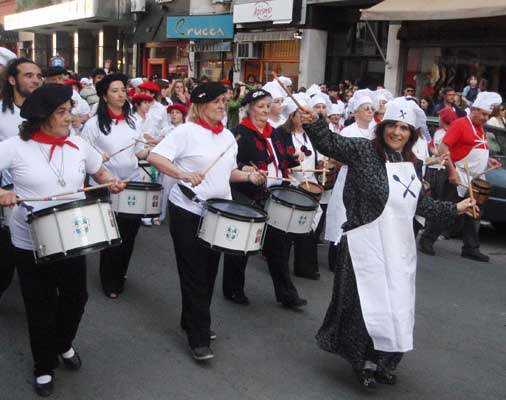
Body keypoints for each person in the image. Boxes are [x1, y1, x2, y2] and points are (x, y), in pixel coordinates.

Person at [298, 97, 475, 389]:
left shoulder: (413, 163)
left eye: (404, 128)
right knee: (365, 307)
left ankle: (384, 361)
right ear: (383, 128)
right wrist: (315, 122)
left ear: (411, 133)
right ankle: (362, 362)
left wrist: (456, 208)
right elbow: (330, 143)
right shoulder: (362, 150)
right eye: (392, 125)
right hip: (363, 245)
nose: (397, 132)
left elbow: (423, 206)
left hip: (398, 247)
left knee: (396, 306)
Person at [0, 83, 125, 396]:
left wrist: (111, 181)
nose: (70, 118)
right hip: (29, 241)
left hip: (73, 235)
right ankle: (43, 365)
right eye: (62, 112)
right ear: (42, 117)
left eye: (70, 111)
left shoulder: (79, 144)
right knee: (39, 306)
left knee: (76, 298)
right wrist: (2, 193)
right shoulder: (14, 147)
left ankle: (63, 343)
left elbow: (99, 173)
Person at [147, 82, 265, 361]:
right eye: (217, 102)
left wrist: (249, 176)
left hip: (218, 213)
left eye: (225, 101)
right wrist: (183, 174)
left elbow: (230, 173)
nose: (223, 106)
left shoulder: (226, 136)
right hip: (188, 210)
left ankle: (191, 320)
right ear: (201, 105)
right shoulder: (186, 132)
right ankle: (199, 335)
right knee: (194, 273)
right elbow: (155, 157)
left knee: (208, 272)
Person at [221, 88, 307, 309]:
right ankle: (233, 289)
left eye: (267, 106)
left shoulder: (276, 133)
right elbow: (229, 164)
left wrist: (294, 158)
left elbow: (282, 160)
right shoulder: (238, 133)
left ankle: (287, 295)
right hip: (247, 194)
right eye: (260, 107)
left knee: (278, 249)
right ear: (249, 109)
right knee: (243, 246)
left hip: (275, 195)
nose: (264, 111)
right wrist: (246, 171)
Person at [80, 73, 150, 298]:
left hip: (132, 182)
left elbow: (137, 151)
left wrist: (152, 153)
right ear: (104, 95)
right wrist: (99, 157)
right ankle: (109, 279)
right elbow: (84, 156)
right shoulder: (93, 124)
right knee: (112, 233)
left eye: (123, 90)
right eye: (115, 91)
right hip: (105, 185)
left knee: (130, 233)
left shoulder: (133, 120)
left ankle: (120, 272)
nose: (121, 95)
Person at [419, 92, 502, 261]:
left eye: (488, 115)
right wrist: (451, 171)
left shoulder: (479, 128)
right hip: (457, 174)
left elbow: (474, 150)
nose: (486, 118)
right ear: (475, 110)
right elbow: (443, 149)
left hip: (475, 178)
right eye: (484, 114)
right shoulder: (460, 124)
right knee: (446, 210)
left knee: (474, 213)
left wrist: (488, 161)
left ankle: (471, 248)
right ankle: (427, 239)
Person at [0, 57, 42, 301]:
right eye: (29, 75)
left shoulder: (46, 113)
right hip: (9, 199)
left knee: (38, 263)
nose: (36, 79)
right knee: (5, 264)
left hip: (41, 198)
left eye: (38, 75)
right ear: (13, 80)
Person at [325, 89, 376, 272]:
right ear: (355, 112)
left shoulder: (376, 132)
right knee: (342, 215)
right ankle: (335, 260)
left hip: (369, 181)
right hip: (348, 177)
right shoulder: (348, 131)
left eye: (371, 108)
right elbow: (337, 157)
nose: (370, 111)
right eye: (366, 108)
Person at [278, 93, 321, 279]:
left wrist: (322, 165)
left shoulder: (311, 134)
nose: (304, 117)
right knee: (288, 228)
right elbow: (278, 157)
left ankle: (305, 267)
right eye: (300, 113)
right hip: (291, 184)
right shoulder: (281, 134)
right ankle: (281, 267)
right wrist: (290, 163)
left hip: (310, 183)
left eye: (306, 113)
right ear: (291, 115)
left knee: (308, 226)